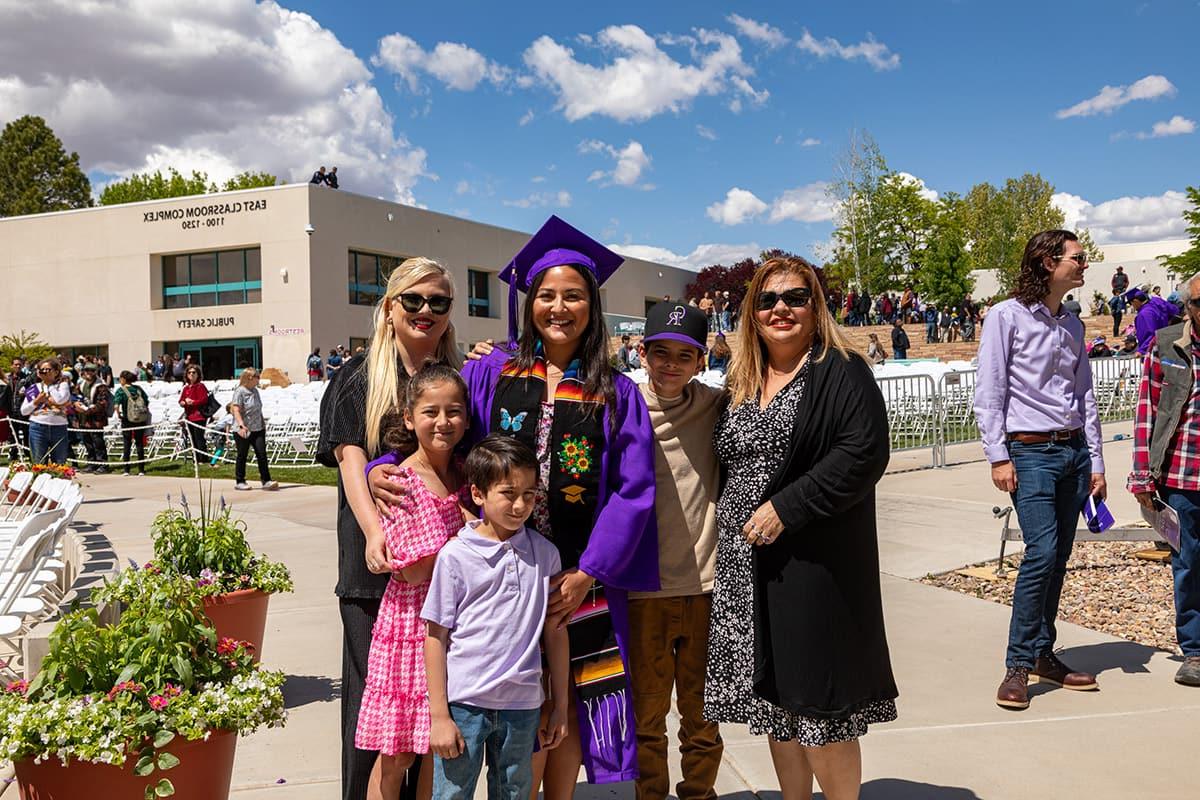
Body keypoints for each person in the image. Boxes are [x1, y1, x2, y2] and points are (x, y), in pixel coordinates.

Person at [368, 215, 658, 795]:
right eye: (546, 295)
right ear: (528, 304)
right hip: (497, 567)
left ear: (591, 306)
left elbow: (634, 489)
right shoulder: (491, 373)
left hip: (574, 572)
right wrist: (382, 470)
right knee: (498, 694)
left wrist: (588, 573)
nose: (558, 307)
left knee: (568, 699)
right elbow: (436, 431)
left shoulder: (615, 391)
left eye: (573, 296)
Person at [704, 256, 897, 800]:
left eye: (795, 297)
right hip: (748, 567)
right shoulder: (741, 379)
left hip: (813, 565)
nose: (780, 309)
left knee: (819, 709)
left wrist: (787, 507)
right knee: (776, 705)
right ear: (751, 313)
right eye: (767, 300)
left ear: (816, 306)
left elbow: (862, 452)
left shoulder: (839, 369)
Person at [317, 256, 464, 800]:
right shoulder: (359, 375)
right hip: (373, 569)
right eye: (414, 300)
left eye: (440, 302)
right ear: (389, 307)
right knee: (373, 715)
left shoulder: (454, 380)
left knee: (430, 710)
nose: (426, 311)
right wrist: (374, 527)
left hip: (438, 575)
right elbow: (351, 461)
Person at [974, 230, 1106, 711]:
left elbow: (1084, 396)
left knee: (1059, 557)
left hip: (1073, 454)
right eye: (1078, 257)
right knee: (1042, 552)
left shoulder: (1072, 323)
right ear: (1048, 263)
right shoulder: (1005, 317)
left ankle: (1043, 654)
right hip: (1028, 454)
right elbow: (989, 391)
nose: (1084, 264)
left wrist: (1096, 460)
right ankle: (1017, 664)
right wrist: (998, 456)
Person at [423, 435, 569, 800]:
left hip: (522, 706)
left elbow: (555, 632)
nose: (520, 505)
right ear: (478, 494)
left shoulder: (546, 555)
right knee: (452, 794)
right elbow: (435, 636)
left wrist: (560, 705)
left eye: (529, 494)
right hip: (464, 704)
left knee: (516, 794)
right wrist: (439, 715)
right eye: (508, 493)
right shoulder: (455, 557)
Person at [355, 363, 474, 799]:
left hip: (455, 626)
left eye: (454, 411)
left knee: (437, 749)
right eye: (430, 412)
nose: (443, 422)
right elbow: (410, 568)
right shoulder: (399, 481)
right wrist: (466, 540)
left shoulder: (466, 473)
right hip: (412, 626)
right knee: (399, 753)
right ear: (409, 417)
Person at [627, 302, 725, 800]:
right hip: (644, 591)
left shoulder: (716, 406)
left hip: (706, 587)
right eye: (660, 353)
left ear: (700, 360)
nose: (670, 364)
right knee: (646, 718)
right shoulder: (623, 406)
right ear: (642, 353)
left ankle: (699, 794)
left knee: (702, 716)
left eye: (683, 355)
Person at [1128, 271, 1200, 687]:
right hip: (1182, 477)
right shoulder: (1167, 345)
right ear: (1187, 306)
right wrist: (1142, 476)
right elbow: (1147, 413)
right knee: (1188, 565)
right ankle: (1194, 650)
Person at [231, 368, 278, 491]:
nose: (259, 379)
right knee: (242, 454)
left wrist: (263, 423)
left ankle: (266, 480)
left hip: (258, 428)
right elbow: (235, 409)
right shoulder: (240, 391)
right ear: (250, 378)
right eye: (257, 376)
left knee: (261, 454)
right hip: (243, 429)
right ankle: (240, 480)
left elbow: (258, 409)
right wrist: (241, 425)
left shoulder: (255, 391)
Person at [20, 358, 72, 465]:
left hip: (59, 427)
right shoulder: (34, 388)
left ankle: (58, 481)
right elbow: (24, 411)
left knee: (59, 462)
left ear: (56, 372)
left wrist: (50, 385)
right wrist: (36, 401)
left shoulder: (62, 385)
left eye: (48, 369)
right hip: (38, 427)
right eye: (42, 370)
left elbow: (60, 400)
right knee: (39, 462)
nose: (45, 372)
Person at [111, 371, 150, 475]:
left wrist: (118, 414)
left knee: (127, 443)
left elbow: (116, 405)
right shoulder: (138, 389)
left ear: (124, 379)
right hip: (140, 418)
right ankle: (141, 469)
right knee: (139, 443)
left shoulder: (121, 390)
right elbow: (146, 401)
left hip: (127, 419)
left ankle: (126, 469)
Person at [76, 362, 112, 473]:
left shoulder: (101, 386)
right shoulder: (81, 384)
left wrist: (89, 410)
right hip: (83, 418)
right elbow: (75, 396)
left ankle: (103, 465)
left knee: (98, 442)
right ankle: (91, 463)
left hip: (97, 419)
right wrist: (76, 404)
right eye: (86, 370)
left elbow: (103, 403)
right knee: (87, 442)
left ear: (95, 372)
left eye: (91, 371)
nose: (88, 373)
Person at [1127, 288, 1182, 355]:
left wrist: (1142, 350)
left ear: (1135, 301)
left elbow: (1151, 334)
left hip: (1154, 350)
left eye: (1131, 303)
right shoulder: (1157, 302)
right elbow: (1175, 310)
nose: (1132, 306)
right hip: (1167, 343)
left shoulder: (1144, 314)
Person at [179, 364, 211, 463]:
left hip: (199, 416)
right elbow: (181, 400)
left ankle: (203, 459)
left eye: (194, 372)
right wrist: (183, 402)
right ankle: (196, 459)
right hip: (189, 416)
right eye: (189, 372)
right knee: (192, 438)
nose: (191, 374)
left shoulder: (200, 386)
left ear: (198, 374)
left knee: (199, 438)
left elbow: (204, 400)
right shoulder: (186, 388)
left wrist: (193, 402)